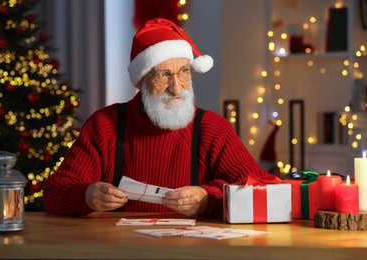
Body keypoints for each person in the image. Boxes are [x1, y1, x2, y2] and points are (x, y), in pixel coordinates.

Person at [43, 18, 269, 218]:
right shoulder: (104, 126)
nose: (177, 88)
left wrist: (207, 198)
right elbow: (53, 194)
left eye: (184, 72)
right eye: (164, 75)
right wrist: (86, 196)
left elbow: (262, 188)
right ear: (141, 82)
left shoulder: (212, 128)